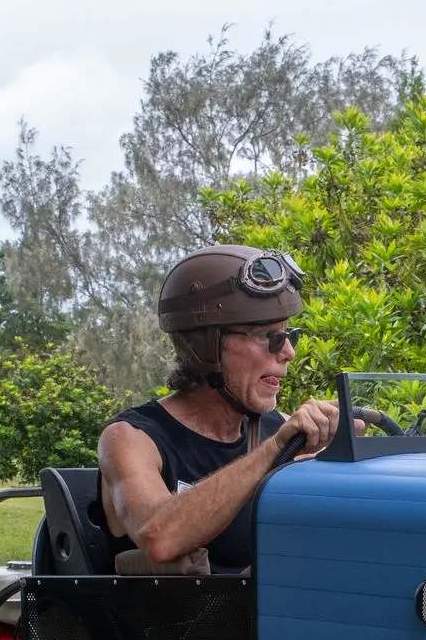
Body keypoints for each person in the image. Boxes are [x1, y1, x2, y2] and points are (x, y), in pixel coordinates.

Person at [98, 245, 342, 572]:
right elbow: (158, 538)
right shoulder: (131, 438)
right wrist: (277, 448)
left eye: (288, 336)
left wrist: (338, 457)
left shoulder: (277, 429)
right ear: (206, 345)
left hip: (270, 619)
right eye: (268, 336)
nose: (288, 353)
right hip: (170, 621)